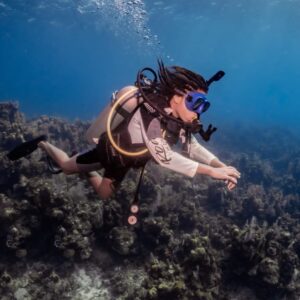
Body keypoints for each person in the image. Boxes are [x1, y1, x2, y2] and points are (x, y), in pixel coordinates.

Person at [7, 61, 241, 202]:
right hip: (109, 151)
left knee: (104, 195)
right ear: (178, 97)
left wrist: (220, 166)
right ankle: (42, 144)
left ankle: (84, 169)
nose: (200, 112)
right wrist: (211, 172)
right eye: (197, 103)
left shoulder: (178, 121)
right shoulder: (150, 113)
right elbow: (164, 157)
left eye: (204, 105)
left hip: (128, 161)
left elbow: (192, 147)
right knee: (67, 168)